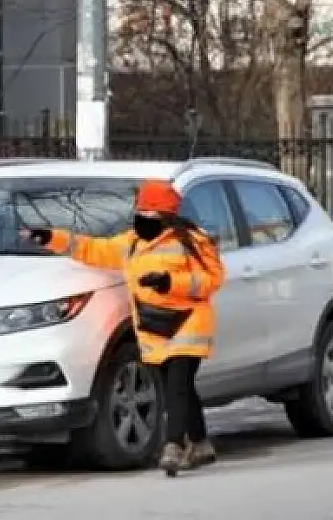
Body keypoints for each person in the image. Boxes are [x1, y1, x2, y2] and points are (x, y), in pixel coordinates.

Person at [23, 180, 225, 476]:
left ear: (167, 215)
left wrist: (169, 282)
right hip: (154, 326)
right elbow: (91, 248)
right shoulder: (131, 243)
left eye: (150, 214)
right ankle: (200, 443)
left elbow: (212, 279)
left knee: (176, 386)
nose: (144, 219)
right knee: (181, 388)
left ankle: (173, 446)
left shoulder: (193, 241)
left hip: (188, 322)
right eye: (141, 213)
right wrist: (50, 237)